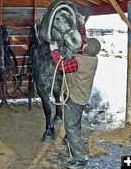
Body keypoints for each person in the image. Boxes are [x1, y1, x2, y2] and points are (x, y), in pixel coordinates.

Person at [50, 37, 101, 168]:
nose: (83, 43)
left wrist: (54, 51)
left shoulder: (79, 61)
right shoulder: (92, 59)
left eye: (85, 43)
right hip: (80, 97)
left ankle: (81, 158)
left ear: (88, 48)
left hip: (75, 99)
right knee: (74, 126)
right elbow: (73, 63)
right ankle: (72, 151)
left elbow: (61, 66)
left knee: (71, 127)